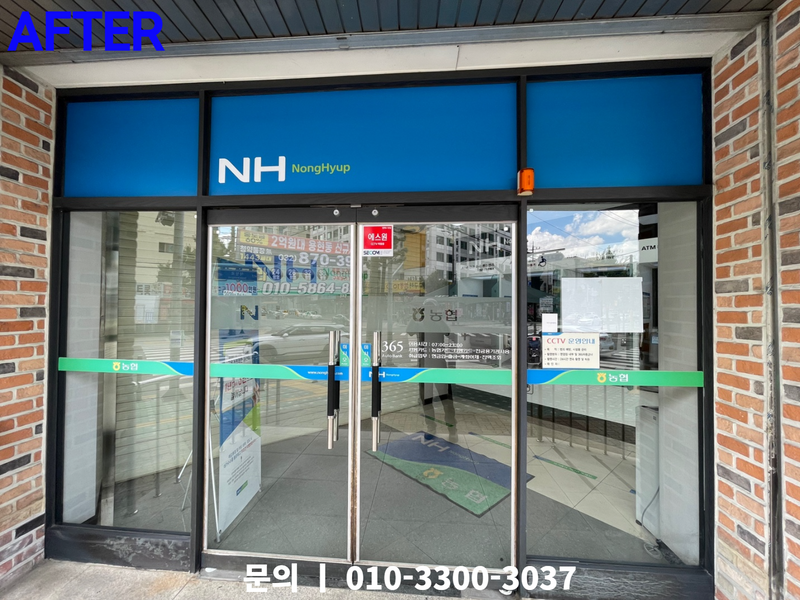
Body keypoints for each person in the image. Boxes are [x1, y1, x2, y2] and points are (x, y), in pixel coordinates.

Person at [406, 297, 458, 441]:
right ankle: (431, 427)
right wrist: (416, 316)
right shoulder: (420, 323)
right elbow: (409, 331)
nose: (428, 312)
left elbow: (448, 332)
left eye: (431, 309)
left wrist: (437, 317)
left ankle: (452, 429)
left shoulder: (438, 323)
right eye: (426, 309)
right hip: (424, 366)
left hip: (439, 365)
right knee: (426, 400)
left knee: (446, 400)